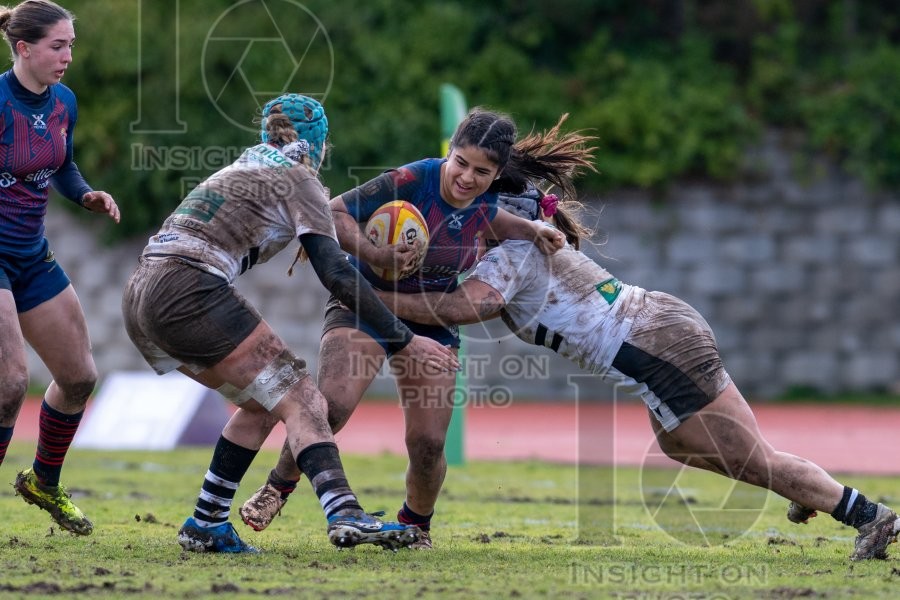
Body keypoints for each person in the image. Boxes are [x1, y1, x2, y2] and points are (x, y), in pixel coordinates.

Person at [368, 184, 900, 561]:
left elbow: (462, 309)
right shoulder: (529, 235)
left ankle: (869, 515)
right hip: (661, 329)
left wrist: (371, 295)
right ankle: (807, 490)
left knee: (754, 460)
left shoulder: (513, 250)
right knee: (682, 446)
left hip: (655, 346)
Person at [238, 110, 594, 549]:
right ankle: (278, 486)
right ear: (450, 152)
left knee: (427, 445)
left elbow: (491, 218)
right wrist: (374, 253)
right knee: (332, 407)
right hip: (365, 304)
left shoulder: (484, 199)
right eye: (460, 163)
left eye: (482, 172)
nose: (466, 177)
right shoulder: (411, 179)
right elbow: (334, 212)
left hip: (432, 319)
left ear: (497, 173)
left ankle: (415, 526)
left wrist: (532, 228)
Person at [121, 93, 460, 553]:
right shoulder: (299, 178)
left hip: (140, 293)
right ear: (320, 145)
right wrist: (405, 342)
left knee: (263, 403)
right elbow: (337, 275)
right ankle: (345, 512)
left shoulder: (244, 164)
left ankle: (206, 521)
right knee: (303, 398)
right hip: (187, 287)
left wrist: (377, 257)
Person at [0, 0, 120, 536]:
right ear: (24, 48)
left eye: (71, 44)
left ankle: (44, 482)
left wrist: (86, 194)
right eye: (58, 45)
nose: (68, 55)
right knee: (10, 383)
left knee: (78, 378)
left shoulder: (63, 102)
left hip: (32, 255)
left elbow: (63, 165)